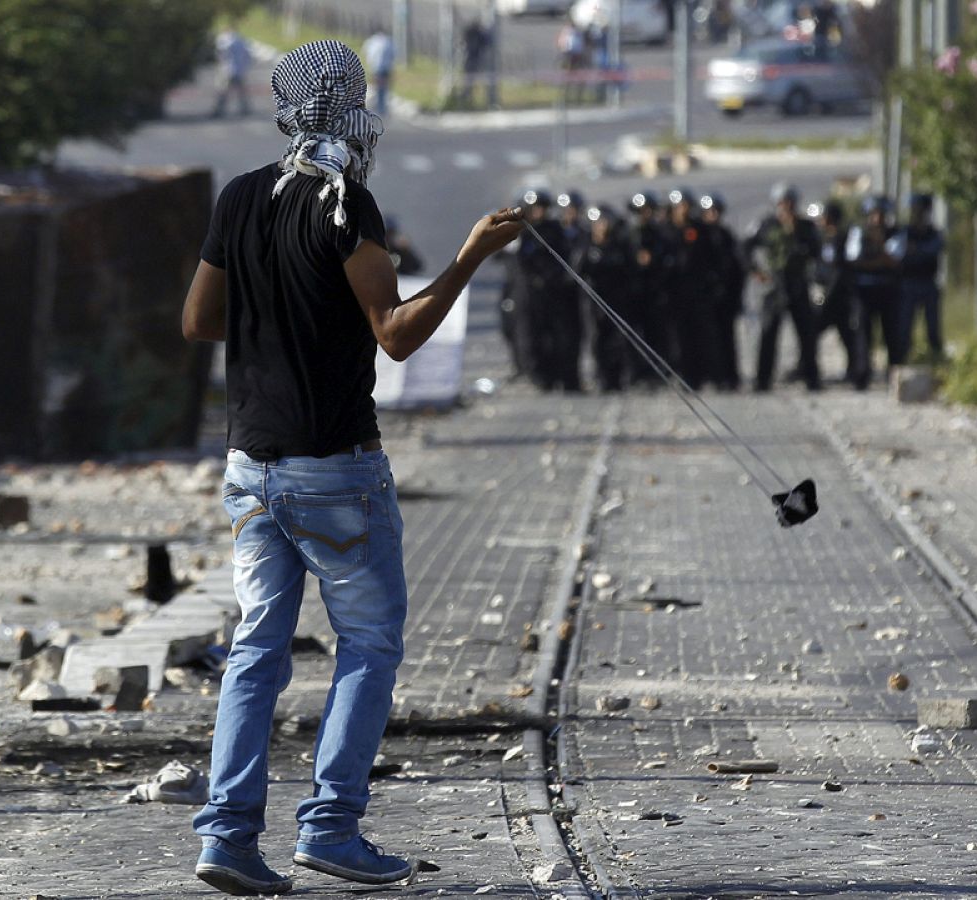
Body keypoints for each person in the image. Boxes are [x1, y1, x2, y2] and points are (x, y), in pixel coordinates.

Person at [180, 40, 524, 897]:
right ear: (352, 112)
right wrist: (471, 254)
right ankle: (331, 827)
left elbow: (199, 321)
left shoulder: (242, 197)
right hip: (335, 470)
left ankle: (227, 837)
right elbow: (398, 334)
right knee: (368, 645)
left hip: (250, 468)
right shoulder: (347, 207)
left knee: (256, 651)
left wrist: (273, 312)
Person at [745, 182, 821, 392]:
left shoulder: (806, 227)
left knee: (807, 335)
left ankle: (811, 377)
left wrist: (795, 233)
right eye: (782, 202)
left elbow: (816, 251)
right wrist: (756, 271)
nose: (786, 206)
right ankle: (763, 380)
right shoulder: (766, 225)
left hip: (797, 285)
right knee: (768, 334)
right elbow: (745, 247)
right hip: (774, 287)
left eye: (790, 202)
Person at [513, 190, 582, 392]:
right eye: (535, 208)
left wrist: (552, 278)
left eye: (542, 208)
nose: (539, 212)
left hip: (555, 292)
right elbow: (518, 262)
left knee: (560, 337)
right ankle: (541, 377)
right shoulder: (521, 232)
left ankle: (563, 377)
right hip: (530, 294)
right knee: (533, 337)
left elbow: (565, 257)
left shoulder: (555, 230)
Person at [664, 187, 720, 389]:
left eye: (686, 206)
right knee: (678, 339)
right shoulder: (666, 231)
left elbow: (711, 260)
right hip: (674, 295)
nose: (683, 210)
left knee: (700, 337)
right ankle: (682, 375)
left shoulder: (699, 230)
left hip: (698, 294)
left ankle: (701, 376)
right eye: (679, 206)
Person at [578, 204, 637, 392]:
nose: (602, 227)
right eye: (598, 223)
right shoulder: (586, 248)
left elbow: (629, 273)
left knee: (619, 341)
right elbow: (577, 273)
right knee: (597, 341)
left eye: (605, 223)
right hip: (594, 304)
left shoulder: (619, 247)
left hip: (617, 301)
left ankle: (619, 378)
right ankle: (602, 377)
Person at [811, 201, 865, 389]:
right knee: (811, 334)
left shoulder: (841, 238)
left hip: (840, 298)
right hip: (827, 295)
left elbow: (839, 271)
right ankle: (809, 369)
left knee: (849, 337)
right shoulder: (823, 239)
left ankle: (856, 374)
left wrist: (829, 295)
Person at [846, 195, 902, 376]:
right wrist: (878, 260)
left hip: (888, 290)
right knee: (863, 333)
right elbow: (854, 259)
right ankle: (862, 373)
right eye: (874, 214)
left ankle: (894, 372)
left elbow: (894, 260)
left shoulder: (896, 232)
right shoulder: (858, 232)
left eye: (881, 215)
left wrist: (878, 249)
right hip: (864, 290)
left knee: (892, 333)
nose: (877, 219)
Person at [699, 192, 745, 391]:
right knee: (706, 339)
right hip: (703, 298)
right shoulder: (698, 236)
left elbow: (737, 268)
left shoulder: (727, 236)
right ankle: (711, 375)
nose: (713, 215)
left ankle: (729, 377)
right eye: (709, 211)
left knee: (727, 338)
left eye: (715, 211)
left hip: (725, 298)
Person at [893, 193, 945, 362]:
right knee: (904, 329)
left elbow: (934, 250)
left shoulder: (934, 233)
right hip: (908, 284)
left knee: (933, 329)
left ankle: (936, 359)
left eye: (921, 210)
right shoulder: (905, 232)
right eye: (915, 210)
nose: (918, 214)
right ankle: (903, 361)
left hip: (928, 283)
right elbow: (896, 252)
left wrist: (916, 250)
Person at [629, 190, 671, 382]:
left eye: (647, 210)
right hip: (634, 291)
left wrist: (653, 260)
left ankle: (658, 371)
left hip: (655, 291)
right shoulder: (629, 233)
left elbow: (666, 259)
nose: (644, 214)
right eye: (641, 210)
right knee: (633, 335)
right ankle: (637, 372)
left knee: (658, 333)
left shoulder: (660, 233)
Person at [213, 26, 254, 118]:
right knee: (242, 92)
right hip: (239, 70)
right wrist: (245, 67)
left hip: (227, 70)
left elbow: (220, 54)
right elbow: (248, 55)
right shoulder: (241, 41)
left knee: (222, 91)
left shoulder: (223, 40)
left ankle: (219, 110)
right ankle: (245, 109)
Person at [362, 28, 396, 116]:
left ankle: (377, 106)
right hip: (386, 69)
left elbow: (367, 54)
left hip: (375, 68)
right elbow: (394, 55)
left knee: (376, 87)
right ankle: (381, 106)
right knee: (383, 88)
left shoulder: (372, 42)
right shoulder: (389, 42)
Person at [460, 17, 492, 107]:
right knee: (469, 78)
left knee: (471, 78)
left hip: (475, 58)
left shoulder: (477, 34)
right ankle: (466, 96)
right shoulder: (471, 33)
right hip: (471, 58)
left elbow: (486, 42)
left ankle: (469, 96)